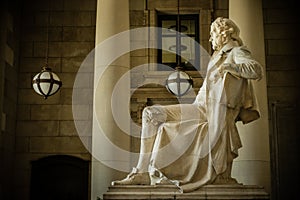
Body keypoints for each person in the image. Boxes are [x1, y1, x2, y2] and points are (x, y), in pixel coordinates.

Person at [111, 17, 263, 193]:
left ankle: (147, 172)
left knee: (154, 117)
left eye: (212, 34)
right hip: (199, 107)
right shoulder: (216, 56)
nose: (210, 39)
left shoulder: (235, 52)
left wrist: (230, 67)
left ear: (223, 34)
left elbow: (255, 69)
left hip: (211, 113)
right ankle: (141, 172)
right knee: (150, 113)